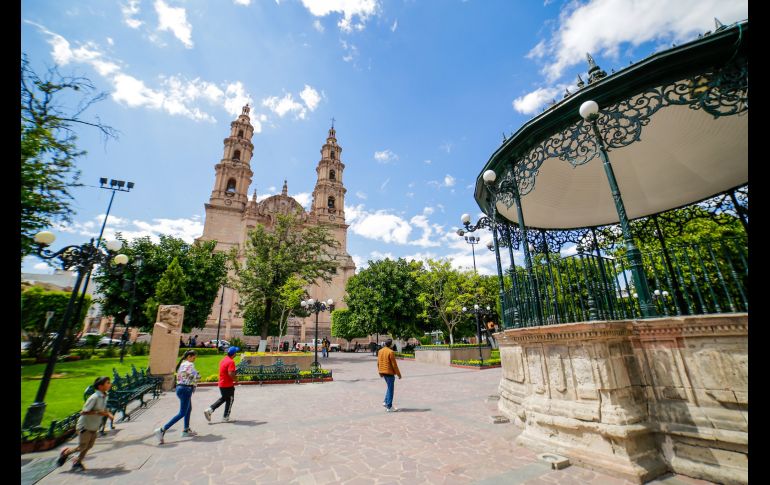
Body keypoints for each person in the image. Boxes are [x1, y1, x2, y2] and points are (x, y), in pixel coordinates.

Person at [57, 376, 114, 471]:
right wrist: (99, 413)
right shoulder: (94, 397)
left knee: (89, 446)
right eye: (108, 382)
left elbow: (102, 408)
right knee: (83, 446)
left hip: (93, 426)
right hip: (84, 426)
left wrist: (108, 413)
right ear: (100, 386)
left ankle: (77, 462)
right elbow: (83, 412)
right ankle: (66, 453)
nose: (110, 384)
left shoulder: (105, 395)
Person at [154, 350, 200, 444]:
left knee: (188, 409)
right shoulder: (189, 365)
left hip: (180, 388)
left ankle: (186, 430)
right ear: (189, 357)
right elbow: (190, 376)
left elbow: (183, 375)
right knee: (182, 412)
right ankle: (162, 429)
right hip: (186, 389)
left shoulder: (182, 364)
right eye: (193, 357)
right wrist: (197, 376)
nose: (194, 360)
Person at [203, 346, 239, 423]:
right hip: (228, 384)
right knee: (230, 399)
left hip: (222, 383)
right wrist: (236, 379)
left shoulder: (224, 360)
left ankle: (210, 410)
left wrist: (234, 372)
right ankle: (225, 417)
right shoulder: (231, 362)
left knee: (224, 398)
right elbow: (230, 373)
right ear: (234, 354)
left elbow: (227, 371)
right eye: (236, 352)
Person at [377, 339, 402, 412]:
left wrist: (380, 372)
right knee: (391, 389)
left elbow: (378, 363)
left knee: (389, 387)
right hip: (389, 373)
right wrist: (399, 374)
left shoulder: (380, 351)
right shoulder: (391, 352)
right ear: (391, 345)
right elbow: (394, 365)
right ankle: (389, 406)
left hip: (383, 372)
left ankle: (385, 401)